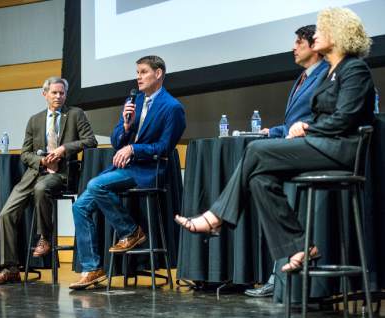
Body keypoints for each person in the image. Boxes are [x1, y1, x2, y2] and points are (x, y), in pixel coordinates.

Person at [175, 7, 375, 274]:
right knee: (259, 179)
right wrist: (309, 127)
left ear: (339, 34)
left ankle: (215, 217)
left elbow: (345, 118)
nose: (316, 35)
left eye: (323, 29)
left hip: (340, 150)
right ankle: (300, 246)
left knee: (256, 149)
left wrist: (308, 128)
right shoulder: (330, 72)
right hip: (322, 146)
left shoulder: (355, 69)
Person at [70, 55, 186, 290]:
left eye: (143, 72)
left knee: (96, 185)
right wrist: (124, 126)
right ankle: (92, 268)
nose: (138, 77)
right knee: (79, 206)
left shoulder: (173, 108)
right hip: (126, 168)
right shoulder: (134, 102)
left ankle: (131, 231)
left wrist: (134, 148)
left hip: (149, 171)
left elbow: (164, 148)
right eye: (137, 73)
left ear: (159, 73)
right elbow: (115, 140)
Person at [246, 24, 329, 298]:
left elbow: (318, 119)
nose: (293, 47)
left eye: (298, 42)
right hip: (295, 146)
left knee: (257, 163)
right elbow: (294, 123)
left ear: (314, 46)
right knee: (260, 180)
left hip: (315, 153)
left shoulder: (327, 76)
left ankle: (220, 215)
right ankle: (276, 275)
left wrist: (303, 127)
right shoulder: (302, 78)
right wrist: (276, 131)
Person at [0, 77, 97, 284]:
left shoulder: (75, 114)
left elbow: (90, 140)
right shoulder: (35, 120)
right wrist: (41, 161)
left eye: (62, 93)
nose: (58, 96)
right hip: (35, 172)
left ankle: (45, 238)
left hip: (62, 173)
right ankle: (11, 268)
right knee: (6, 214)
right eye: (54, 93)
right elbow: (24, 153)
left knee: (41, 189)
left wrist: (64, 149)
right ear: (45, 94)